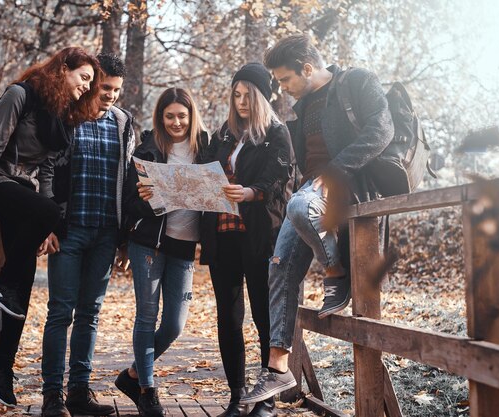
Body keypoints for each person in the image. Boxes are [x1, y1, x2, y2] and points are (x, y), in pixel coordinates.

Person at [241, 34, 394, 404]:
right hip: (311, 193)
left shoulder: (357, 81)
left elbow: (382, 130)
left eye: (285, 80)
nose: (283, 89)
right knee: (278, 266)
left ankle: (335, 272)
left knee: (297, 206)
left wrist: (334, 171)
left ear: (307, 68)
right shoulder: (304, 107)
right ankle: (277, 368)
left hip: (348, 186)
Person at [0, 47, 101, 407]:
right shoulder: (20, 94)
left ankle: (1, 371)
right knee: (18, 273)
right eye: (84, 78)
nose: (87, 87)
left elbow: (45, 172)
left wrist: (48, 223)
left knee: (21, 289)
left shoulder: (58, 116)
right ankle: (3, 283)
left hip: (23, 195)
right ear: (63, 70)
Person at [38, 53, 135, 417]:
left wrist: (124, 237)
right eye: (105, 87)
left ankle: (79, 391)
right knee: (60, 312)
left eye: (116, 90)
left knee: (90, 313)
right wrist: (47, 222)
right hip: (68, 232)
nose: (110, 95)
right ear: (94, 83)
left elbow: (128, 181)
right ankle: (52, 396)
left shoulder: (124, 123)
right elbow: (47, 169)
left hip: (106, 234)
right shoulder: (67, 116)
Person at [200, 63, 294, 417]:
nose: (240, 102)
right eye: (236, 95)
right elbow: (206, 171)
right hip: (221, 235)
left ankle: (265, 399)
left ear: (261, 97)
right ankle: (237, 396)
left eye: (247, 95)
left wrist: (251, 193)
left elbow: (279, 182)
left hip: (258, 236)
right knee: (229, 316)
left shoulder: (276, 133)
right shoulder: (224, 133)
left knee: (263, 317)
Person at [114, 87, 209, 417]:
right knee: (146, 315)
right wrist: (145, 199)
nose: (176, 122)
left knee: (174, 325)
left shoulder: (205, 148)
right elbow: (128, 204)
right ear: (160, 117)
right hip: (148, 245)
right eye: (169, 116)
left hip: (184, 247)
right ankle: (147, 391)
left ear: (191, 116)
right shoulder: (147, 150)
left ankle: (132, 375)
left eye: (182, 116)